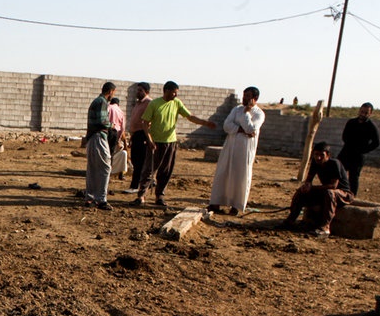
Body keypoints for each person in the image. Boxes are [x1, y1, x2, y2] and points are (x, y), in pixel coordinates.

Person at [132, 81, 217, 208]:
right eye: (174, 92)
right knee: (149, 169)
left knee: (166, 170)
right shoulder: (154, 104)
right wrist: (149, 140)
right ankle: (141, 195)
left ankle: (159, 195)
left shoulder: (176, 103)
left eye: (177, 92)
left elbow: (190, 116)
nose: (175, 95)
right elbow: (145, 122)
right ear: (166, 91)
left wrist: (205, 123)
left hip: (170, 142)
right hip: (155, 142)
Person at [207, 86, 265, 216]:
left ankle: (236, 205)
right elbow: (226, 126)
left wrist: (246, 113)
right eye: (244, 96)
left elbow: (251, 129)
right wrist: (240, 129)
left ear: (255, 99)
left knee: (240, 175)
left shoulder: (258, 113)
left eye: (248, 96)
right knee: (223, 172)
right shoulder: (236, 109)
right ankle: (216, 202)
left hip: (244, 149)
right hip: (230, 146)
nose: (245, 99)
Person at [279, 141, 353, 237]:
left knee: (330, 193)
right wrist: (306, 186)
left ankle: (325, 227)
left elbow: (333, 186)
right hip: (326, 193)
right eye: (316, 155)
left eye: (321, 155)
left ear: (328, 155)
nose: (318, 158)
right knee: (301, 192)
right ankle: (290, 221)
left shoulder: (335, 163)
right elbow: (309, 179)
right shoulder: (315, 162)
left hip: (343, 195)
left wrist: (312, 188)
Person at [84, 82, 116, 210]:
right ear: (110, 91)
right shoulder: (102, 102)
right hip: (98, 137)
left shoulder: (96, 101)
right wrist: (111, 125)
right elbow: (103, 121)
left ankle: (90, 197)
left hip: (92, 138)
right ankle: (101, 199)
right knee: (105, 167)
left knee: (93, 168)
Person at [337, 102, 380, 196]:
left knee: (353, 178)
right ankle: (338, 193)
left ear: (370, 113)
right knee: (338, 173)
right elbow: (344, 136)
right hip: (346, 152)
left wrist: (363, 150)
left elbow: (376, 142)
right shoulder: (351, 122)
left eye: (365, 112)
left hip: (358, 156)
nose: (363, 114)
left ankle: (352, 197)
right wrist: (349, 144)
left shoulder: (371, 127)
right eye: (362, 111)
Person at [124, 82, 152, 192]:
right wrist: (131, 136)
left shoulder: (149, 103)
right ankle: (139, 184)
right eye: (137, 90)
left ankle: (136, 186)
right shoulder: (138, 104)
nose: (138, 92)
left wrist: (148, 137)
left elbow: (149, 121)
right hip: (136, 135)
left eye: (140, 90)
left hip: (143, 135)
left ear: (147, 92)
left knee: (141, 161)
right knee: (135, 161)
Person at [107, 96, 127, 181]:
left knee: (106, 152)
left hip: (107, 132)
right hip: (115, 134)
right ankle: (119, 173)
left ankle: (105, 171)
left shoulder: (108, 107)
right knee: (111, 153)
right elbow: (122, 128)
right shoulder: (120, 111)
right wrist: (118, 139)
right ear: (118, 104)